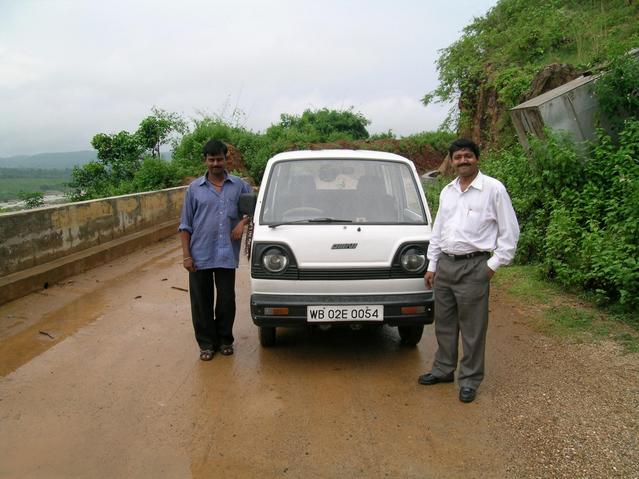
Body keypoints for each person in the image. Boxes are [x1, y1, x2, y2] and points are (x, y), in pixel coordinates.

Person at [418, 138, 519, 403]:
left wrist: (492, 266)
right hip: (446, 266)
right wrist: (432, 264)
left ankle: (470, 380)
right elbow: (438, 230)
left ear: (477, 158)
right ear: (451, 161)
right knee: (445, 323)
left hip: (475, 266)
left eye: (467, 156)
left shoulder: (493, 189)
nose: (463, 161)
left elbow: (510, 233)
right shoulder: (447, 191)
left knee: (473, 328)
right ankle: (443, 370)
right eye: (458, 157)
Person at [178, 139, 251, 361]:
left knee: (226, 300)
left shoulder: (240, 186)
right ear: (205, 160)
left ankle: (225, 340)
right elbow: (185, 225)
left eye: (219, 159)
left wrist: (242, 223)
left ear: (226, 159)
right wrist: (186, 255)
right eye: (211, 160)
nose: (216, 163)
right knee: (201, 302)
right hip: (199, 253)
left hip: (226, 253)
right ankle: (207, 344)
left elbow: (252, 209)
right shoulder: (194, 189)